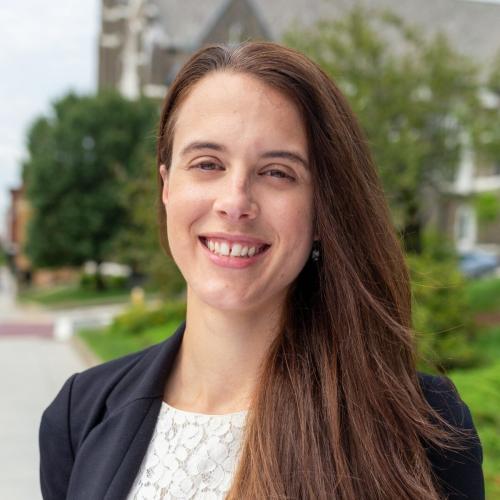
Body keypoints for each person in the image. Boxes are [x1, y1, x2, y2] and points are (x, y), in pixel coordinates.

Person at [39, 42, 484, 500]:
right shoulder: (80, 414)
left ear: (321, 210)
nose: (235, 202)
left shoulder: (422, 425)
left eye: (277, 172)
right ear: (167, 185)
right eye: (207, 164)